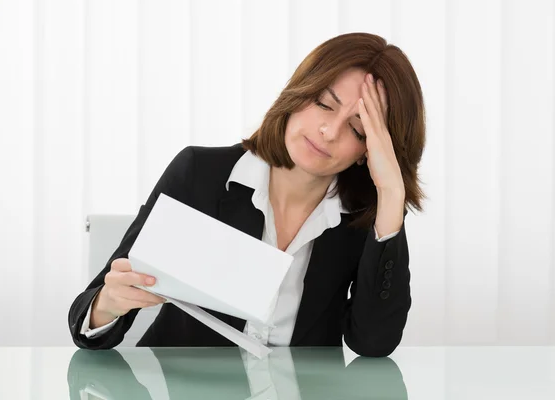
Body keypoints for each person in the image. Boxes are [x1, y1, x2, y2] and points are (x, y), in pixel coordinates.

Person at [68, 32, 426, 357]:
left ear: (372, 150)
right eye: (323, 103)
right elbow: (85, 322)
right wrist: (107, 304)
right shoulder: (200, 173)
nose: (329, 131)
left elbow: (373, 342)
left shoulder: (369, 214)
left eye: (357, 130)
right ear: (299, 92)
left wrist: (392, 194)